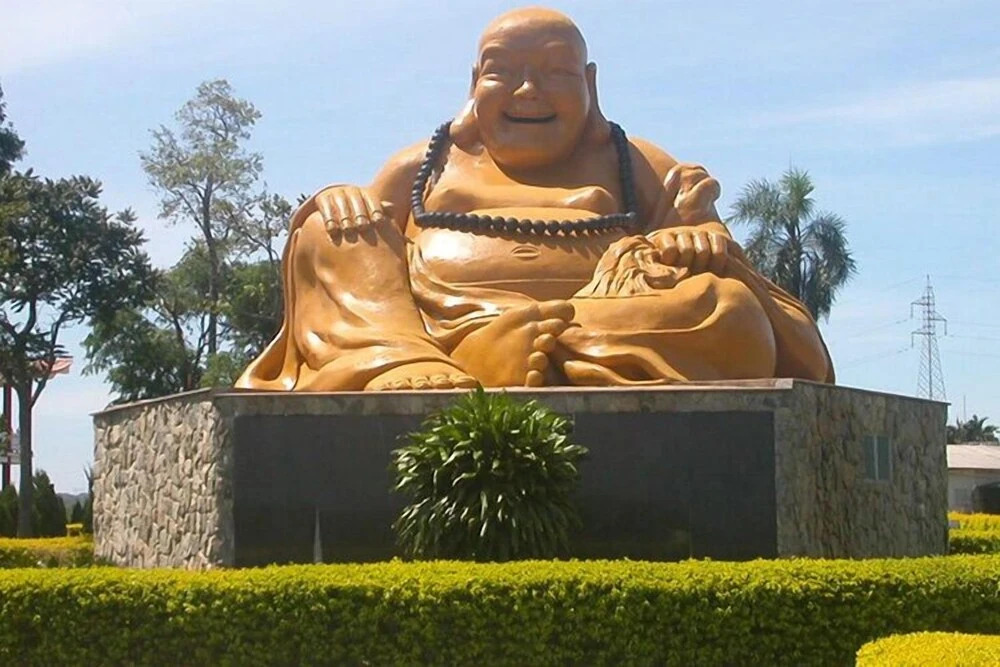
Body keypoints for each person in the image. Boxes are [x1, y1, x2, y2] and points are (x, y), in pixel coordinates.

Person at [237, 7, 832, 391]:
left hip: (594, 323)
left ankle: (505, 354)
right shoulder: (424, 165)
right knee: (326, 229)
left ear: (590, 84)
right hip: (432, 329)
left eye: (555, 73)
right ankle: (407, 359)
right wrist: (338, 200)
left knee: (729, 311)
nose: (528, 91)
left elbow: (708, 245)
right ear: (474, 84)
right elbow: (354, 268)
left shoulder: (635, 162)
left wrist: (695, 238)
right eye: (503, 72)